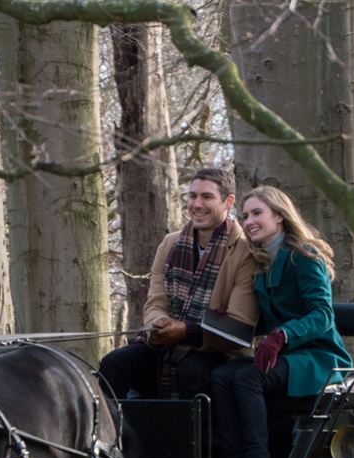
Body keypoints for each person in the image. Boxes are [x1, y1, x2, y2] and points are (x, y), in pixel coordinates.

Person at [210, 186, 352, 458]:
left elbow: (323, 314)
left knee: (249, 377)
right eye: (245, 215)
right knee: (222, 375)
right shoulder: (261, 262)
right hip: (285, 357)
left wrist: (282, 335)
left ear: (279, 215)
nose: (248, 221)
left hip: (318, 358)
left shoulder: (304, 256)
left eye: (257, 213)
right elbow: (261, 317)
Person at [98, 167, 260, 401]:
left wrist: (185, 332)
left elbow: (238, 324)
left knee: (192, 371)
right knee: (115, 363)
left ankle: (198, 438)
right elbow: (155, 302)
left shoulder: (246, 251)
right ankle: (115, 436)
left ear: (229, 202)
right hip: (165, 344)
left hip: (219, 350)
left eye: (207, 197)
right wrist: (159, 324)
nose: (196, 204)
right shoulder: (170, 243)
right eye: (192, 196)